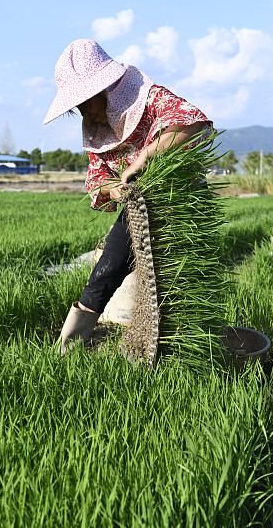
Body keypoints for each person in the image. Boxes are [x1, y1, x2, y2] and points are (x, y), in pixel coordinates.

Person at [43, 39, 212, 353]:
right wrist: (114, 188)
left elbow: (196, 125)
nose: (83, 111)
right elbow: (96, 181)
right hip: (137, 207)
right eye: (77, 105)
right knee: (104, 272)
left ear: (107, 88)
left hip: (181, 203)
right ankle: (66, 351)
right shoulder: (97, 127)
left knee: (177, 283)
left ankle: (179, 353)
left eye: (86, 101)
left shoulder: (150, 99)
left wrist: (144, 157)